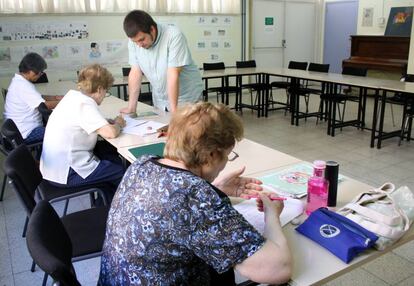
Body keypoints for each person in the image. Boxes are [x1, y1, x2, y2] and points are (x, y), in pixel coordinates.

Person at [98, 102, 292, 285]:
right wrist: (271, 214)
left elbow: (172, 209)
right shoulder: (195, 197)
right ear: (211, 155)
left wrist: (216, 188)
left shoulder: (142, 163)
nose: (226, 162)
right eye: (227, 155)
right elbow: (278, 269)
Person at [40, 64, 126, 202]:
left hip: (53, 169)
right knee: (123, 172)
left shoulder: (72, 97)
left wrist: (102, 121)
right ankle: (114, 211)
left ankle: (105, 204)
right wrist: (118, 124)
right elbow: (110, 133)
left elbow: (79, 121)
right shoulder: (85, 104)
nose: (105, 95)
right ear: (99, 89)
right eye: (106, 91)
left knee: (109, 156)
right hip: (68, 173)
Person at [121, 10, 203, 114]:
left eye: (142, 39)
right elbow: (135, 72)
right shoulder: (135, 42)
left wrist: (174, 113)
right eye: (135, 41)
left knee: (186, 129)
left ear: (152, 29)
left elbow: (173, 74)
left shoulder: (173, 35)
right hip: (160, 101)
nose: (139, 45)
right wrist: (131, 108)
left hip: (186, 99)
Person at [3, 52, 59, 144]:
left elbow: (37, 97)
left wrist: (55, 97)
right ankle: (45, 156)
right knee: (62, 131)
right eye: (40, 72)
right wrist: (66, 101)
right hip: (26, 133)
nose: (41, 75)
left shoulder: (19, 81)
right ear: (31, 71)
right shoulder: (23, 86)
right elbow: (43, 106)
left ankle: (41, 153)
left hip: (19, 128)